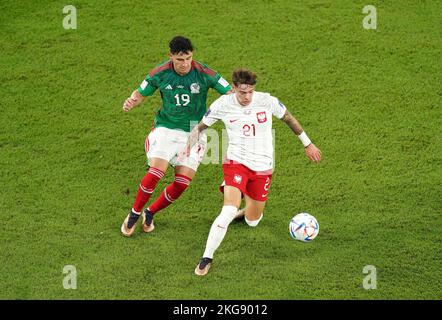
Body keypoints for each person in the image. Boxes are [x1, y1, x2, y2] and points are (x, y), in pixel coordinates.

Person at [185, 68, 322, 276]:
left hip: (262, 167)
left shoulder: (266, 101)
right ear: (234, 89)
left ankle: (244, 203)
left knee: (253, 221)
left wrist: (308, 144)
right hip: (236, 163)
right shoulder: (223, 104)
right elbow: (201, 126)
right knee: (228, 211)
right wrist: (188, 145)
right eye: (242, 92)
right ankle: (207, 257)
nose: (247, 97)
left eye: (250, 92)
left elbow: (288, 118)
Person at [120, 36, 232, 237]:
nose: (184, 64)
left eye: (188, 58)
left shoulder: (205, 73)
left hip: (195, 130)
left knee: (182, 183)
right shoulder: (160, 73)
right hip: (167, 128)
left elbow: (230, 92)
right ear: (170, 56)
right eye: (180, 60)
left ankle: (150, 212)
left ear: (192, 55)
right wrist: (131, 101)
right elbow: (140, 93)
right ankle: (134, 214)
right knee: (156, 172)